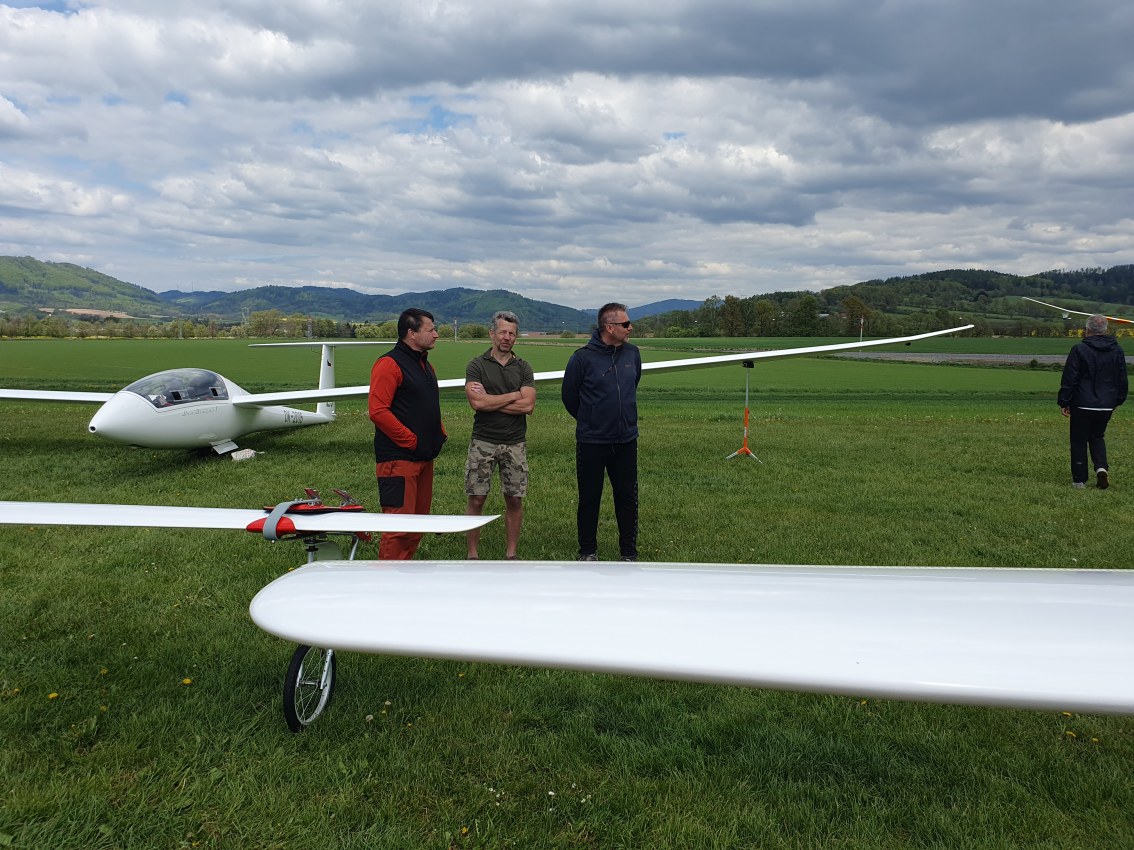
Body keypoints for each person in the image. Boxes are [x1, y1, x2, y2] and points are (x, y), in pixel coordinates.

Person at [561, 302, 642, 561]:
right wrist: (592, 419)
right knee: (589, 498)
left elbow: (632, 385)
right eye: (625, 324)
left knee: (627, 497)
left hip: (626, 440)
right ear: (609, 327)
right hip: (592, 441)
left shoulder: (633, 354)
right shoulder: (581, 358)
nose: (630, 328)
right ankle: (587, 551)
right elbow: (569, 397)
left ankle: (628, 553)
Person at [368, 308, 446, 558]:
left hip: (423, 458)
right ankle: (387, 577)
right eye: (430, 330)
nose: (436, 334)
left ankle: (404, 572)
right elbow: (378, 411)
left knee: (417, 524)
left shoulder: (426, 365)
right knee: (398, 527)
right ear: (412, 333)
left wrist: (439, 433)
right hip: (398, 460)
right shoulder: (388, 364)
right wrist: (411, 441)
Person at [463, 310, 536, 559]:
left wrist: (490, 400)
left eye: (512, 333)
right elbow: (477, 403)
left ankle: (511, 554)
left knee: (514, 499)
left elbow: (528, 406)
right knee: (477, 498)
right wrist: (514, 395)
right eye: (503, 332)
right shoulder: (476, 365)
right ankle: (472, 554)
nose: (507, 337)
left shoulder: (523, 367)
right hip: (483, 441)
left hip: (515, 443)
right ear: (492, 333)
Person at [1058, 314, 1128, 489]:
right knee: (1097, 436)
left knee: (1079, 439)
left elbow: (1070, 377)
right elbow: (1122, 379)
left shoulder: (1079, 349)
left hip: (1082, 402)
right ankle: (1101, 468)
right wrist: (1117, 400)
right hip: (1106, 403)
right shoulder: (1117, 351)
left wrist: (1064, 401)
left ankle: (1079, 480)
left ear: (1087, 330)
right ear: (1106, 329)